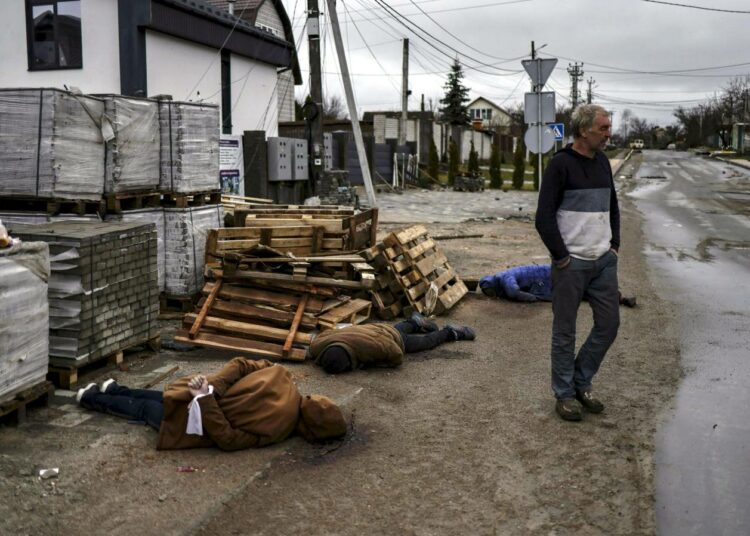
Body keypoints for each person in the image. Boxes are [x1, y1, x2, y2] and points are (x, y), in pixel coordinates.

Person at [535, 104, 621, 422]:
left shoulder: (602, 163)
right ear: (584, 130)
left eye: (608, 127)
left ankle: (581, 381)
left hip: (603, 262)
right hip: (571, 264)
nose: (608, 133)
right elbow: (543, 218)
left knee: (609, 324)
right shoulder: (560, 165)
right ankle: (565, 394)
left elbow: (613, 206)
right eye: (603, 128)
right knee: (565, 331)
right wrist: (562, 257)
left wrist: (614, 246)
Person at [76, 357, 347, 450]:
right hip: (197, 421)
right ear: (310, 431)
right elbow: (228, 439)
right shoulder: (279, 430)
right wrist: (208, 395)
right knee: (147, 410)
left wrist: (213, 386)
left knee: (162, 396)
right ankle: (91, 398)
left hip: (198, 399)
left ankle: (112, 389)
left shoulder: (282, 376)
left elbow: (241, 364)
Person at [309, 313, 476, 374]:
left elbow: (396, 355)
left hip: (390, 338)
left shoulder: (371, 348)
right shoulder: (318, 345)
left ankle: (449, 332)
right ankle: (414, 322)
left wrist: (378, 364)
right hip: (374, 327)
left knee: (425, 342)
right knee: (395, 328)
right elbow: (327, 332)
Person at [480, 264, 637, 307]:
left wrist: (531, 298)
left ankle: (620, 298)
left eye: (491, 292)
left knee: (584, 288)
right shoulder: (504, 276)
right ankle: (620, 298)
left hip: (548, 279)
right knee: (582, 291)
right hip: (548, 280)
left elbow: (514, 291)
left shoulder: (505, 276)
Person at [480, 264, 553, 302]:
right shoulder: (501, 277)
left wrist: (533, 298)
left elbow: (513, 292)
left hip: (543, 275)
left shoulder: (505, 277)